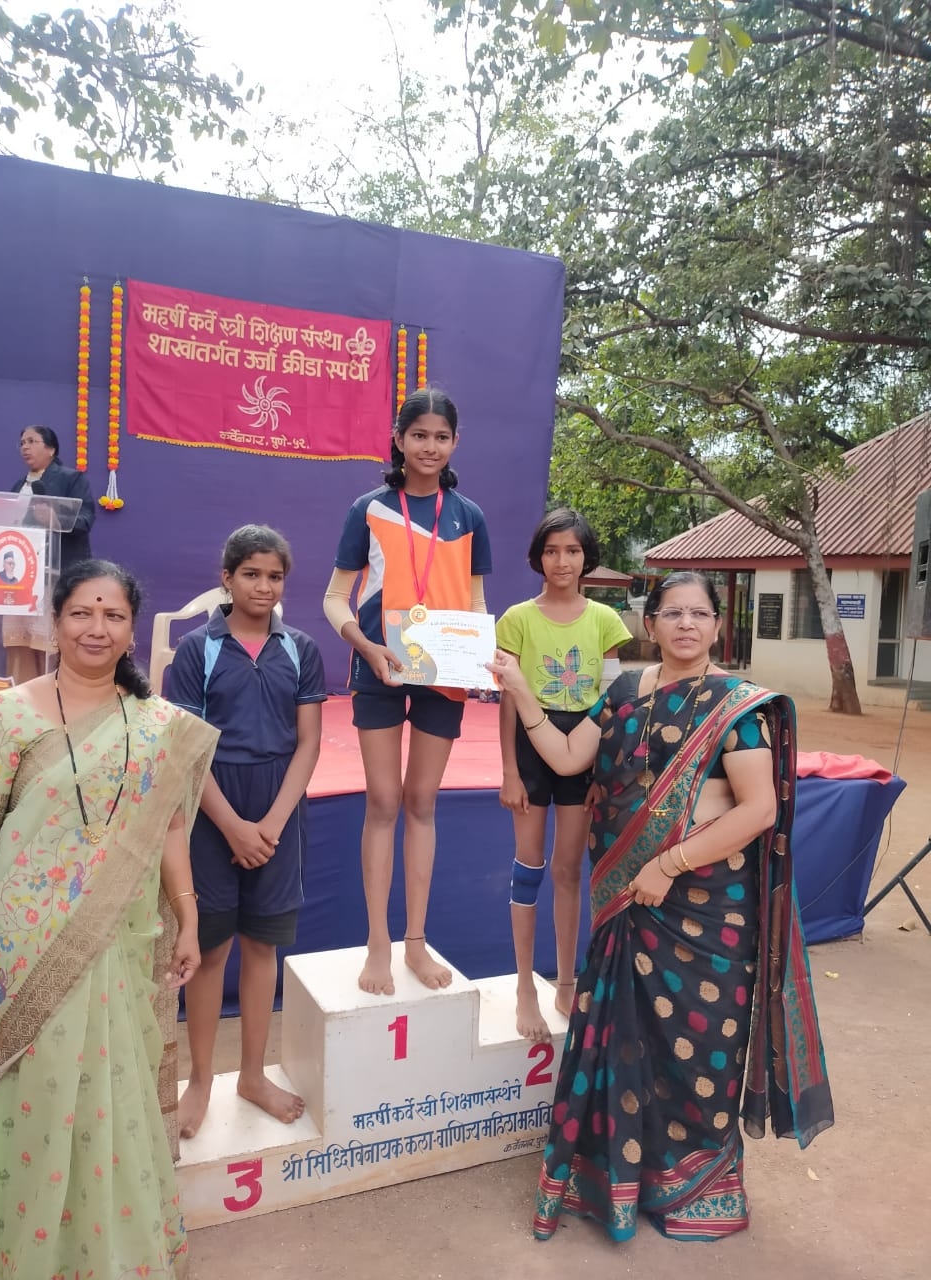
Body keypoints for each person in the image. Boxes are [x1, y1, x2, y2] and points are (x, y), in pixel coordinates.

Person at [489, 571, 834, 1244]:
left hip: (706, 908)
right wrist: (522, 690)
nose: (686, 625)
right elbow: (567, 758)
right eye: (672, 613)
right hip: (629, 902)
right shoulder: (622, 693)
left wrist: (667, 864)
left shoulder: (737, 707)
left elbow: (759, 810)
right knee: (628, 1039)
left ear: (717, 626)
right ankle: (623, 1177)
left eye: (699, 614)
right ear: (648, 624)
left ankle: (698, 1185)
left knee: (699, 1045)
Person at [0, 559, 218, 1278]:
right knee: (31, 1095)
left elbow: (170, 829)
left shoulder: (157, 724)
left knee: (110, 1094)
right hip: (22, 946)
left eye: (113, 616)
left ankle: (99, 1251)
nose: (96, 628)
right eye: (81, 612)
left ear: (133, 632)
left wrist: (188, 916)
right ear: (54, 622)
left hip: (117, 944)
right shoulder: (4, 716)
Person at [323, 388, 492, 996]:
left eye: (441, 436)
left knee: (422, 802)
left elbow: (475, 601)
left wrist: (477, 654)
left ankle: (415, 942)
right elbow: (335, 597)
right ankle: (378, 942)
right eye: (418, 435)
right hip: (381, 668)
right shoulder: (368, 509)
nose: (429, 446)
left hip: (443, 675)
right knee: (383, 802)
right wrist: (366, 647)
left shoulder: (468, 515)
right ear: (398, 439)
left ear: (455, 442)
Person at [166, 525, 326, 1139]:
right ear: (226, 578)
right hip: (212, 815)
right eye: (251, 574)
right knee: (209, 951)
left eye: (275, 576)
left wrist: (272, 825)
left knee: (262, 947)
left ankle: (253, 1075)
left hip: (279, 813)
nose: (264, 586)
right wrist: (233, 827)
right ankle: (201, 1081)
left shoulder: (300, 649)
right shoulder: (195, 650)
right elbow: (187, 749)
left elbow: (308, 743)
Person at [496, 509, 631, 1041]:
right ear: (538, 557)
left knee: (568, 870)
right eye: (552, 551)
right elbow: (509, 700)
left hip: (587, 744)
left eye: (572, 551)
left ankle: (567, 981)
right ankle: (524, 986)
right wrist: (509, 771)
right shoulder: (516, 619)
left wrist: (602, 771)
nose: (562, 561)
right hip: (531, 744)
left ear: (586, 557)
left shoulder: (605, 620)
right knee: (528, 866)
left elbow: (614, 701)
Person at [4, 425, 97, 686]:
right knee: (20, 642)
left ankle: (57, 693)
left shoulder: (71, 479)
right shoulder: (19, 485)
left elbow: (86, 519)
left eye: (32, 441)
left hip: (57, 573)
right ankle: (21, 695)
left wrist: (57, 519)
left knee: (51, 642)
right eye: (22, 442)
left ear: (51, 449)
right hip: (22, 575)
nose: (24, 447)